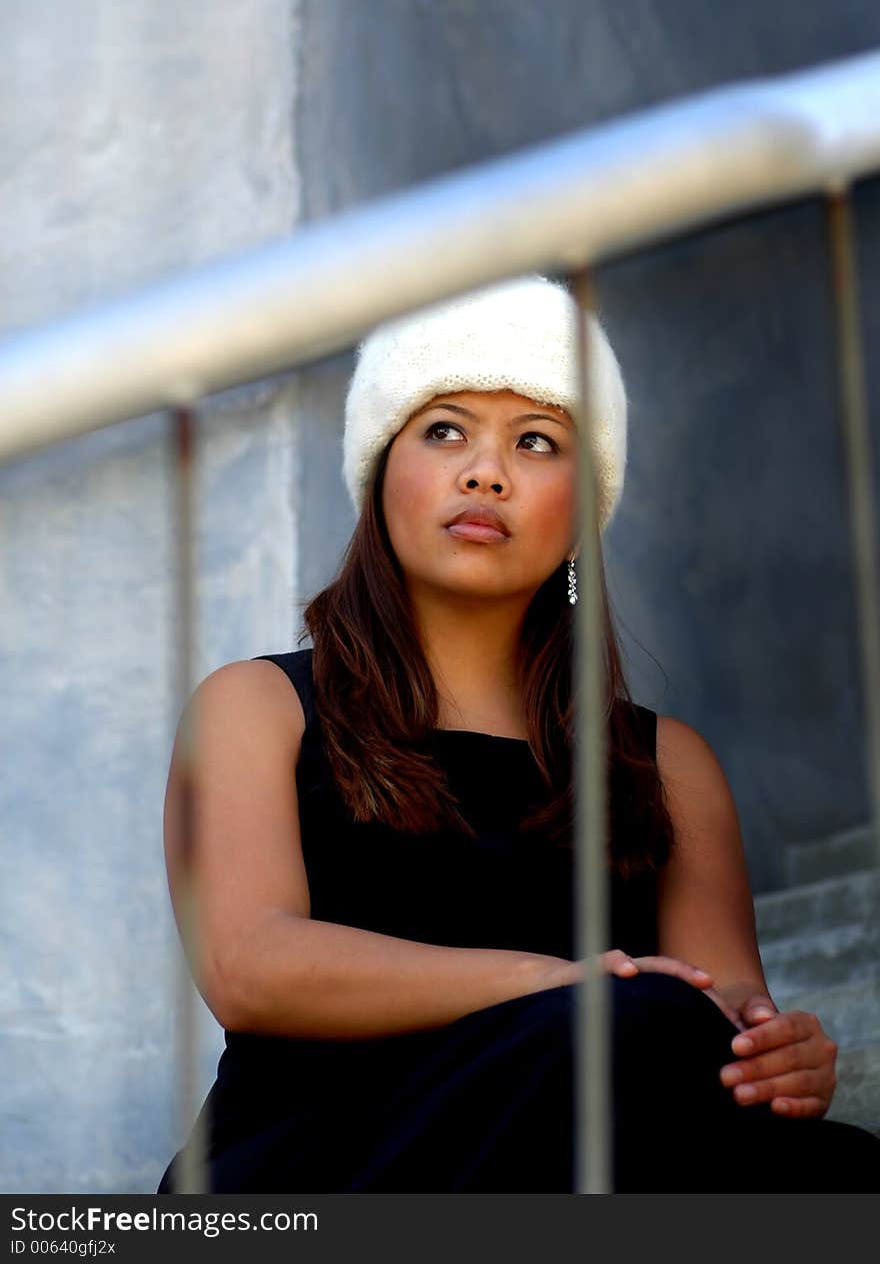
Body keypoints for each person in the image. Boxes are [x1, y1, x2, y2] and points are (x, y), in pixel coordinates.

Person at [156, 274, 880, 1193]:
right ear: (382, 471)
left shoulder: (668, 763)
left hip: (586, 1123)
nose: (486, 472)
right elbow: (247, 964)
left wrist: (776, 1052)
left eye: (536, 443)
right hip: (321, 1164)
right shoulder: (257, 706)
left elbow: (719, 1001)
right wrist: (557, 984)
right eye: (445, 429)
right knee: (619, 1027)